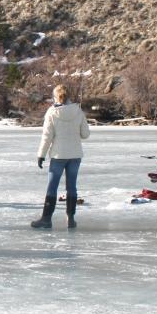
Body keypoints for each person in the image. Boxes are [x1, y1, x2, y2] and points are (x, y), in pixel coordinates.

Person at [31, 84, 91, 229]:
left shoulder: (52, 113)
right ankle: (71, 219)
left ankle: (46, 219)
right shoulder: (78, 111)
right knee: (72, 187)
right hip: (75, 155)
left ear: (55, 96)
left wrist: (41, 155)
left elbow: (47, 137)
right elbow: (85, 134)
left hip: (58, 156)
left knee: (52, 187)